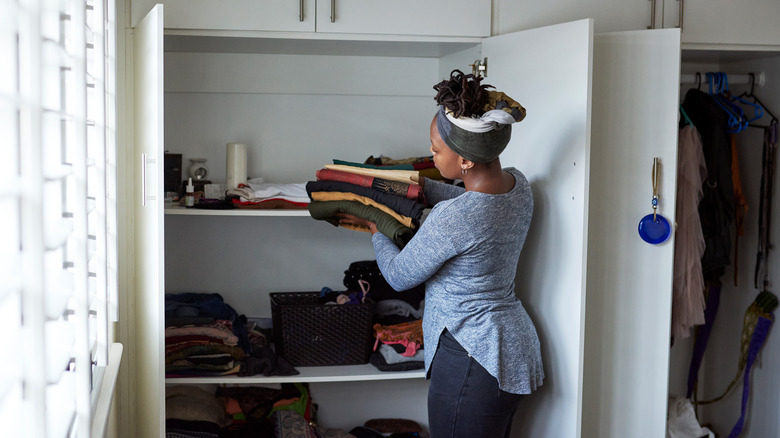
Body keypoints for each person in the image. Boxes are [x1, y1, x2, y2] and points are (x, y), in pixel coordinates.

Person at [338, 70, 544, 438]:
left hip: (472, 354)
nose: (431, 154)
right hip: (509, 347)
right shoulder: (517, 185)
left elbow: (400, 275)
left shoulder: (456, 218)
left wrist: (375, 226)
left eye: (436, 150)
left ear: (465, 159)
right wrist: (410, 183)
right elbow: (469, 202)